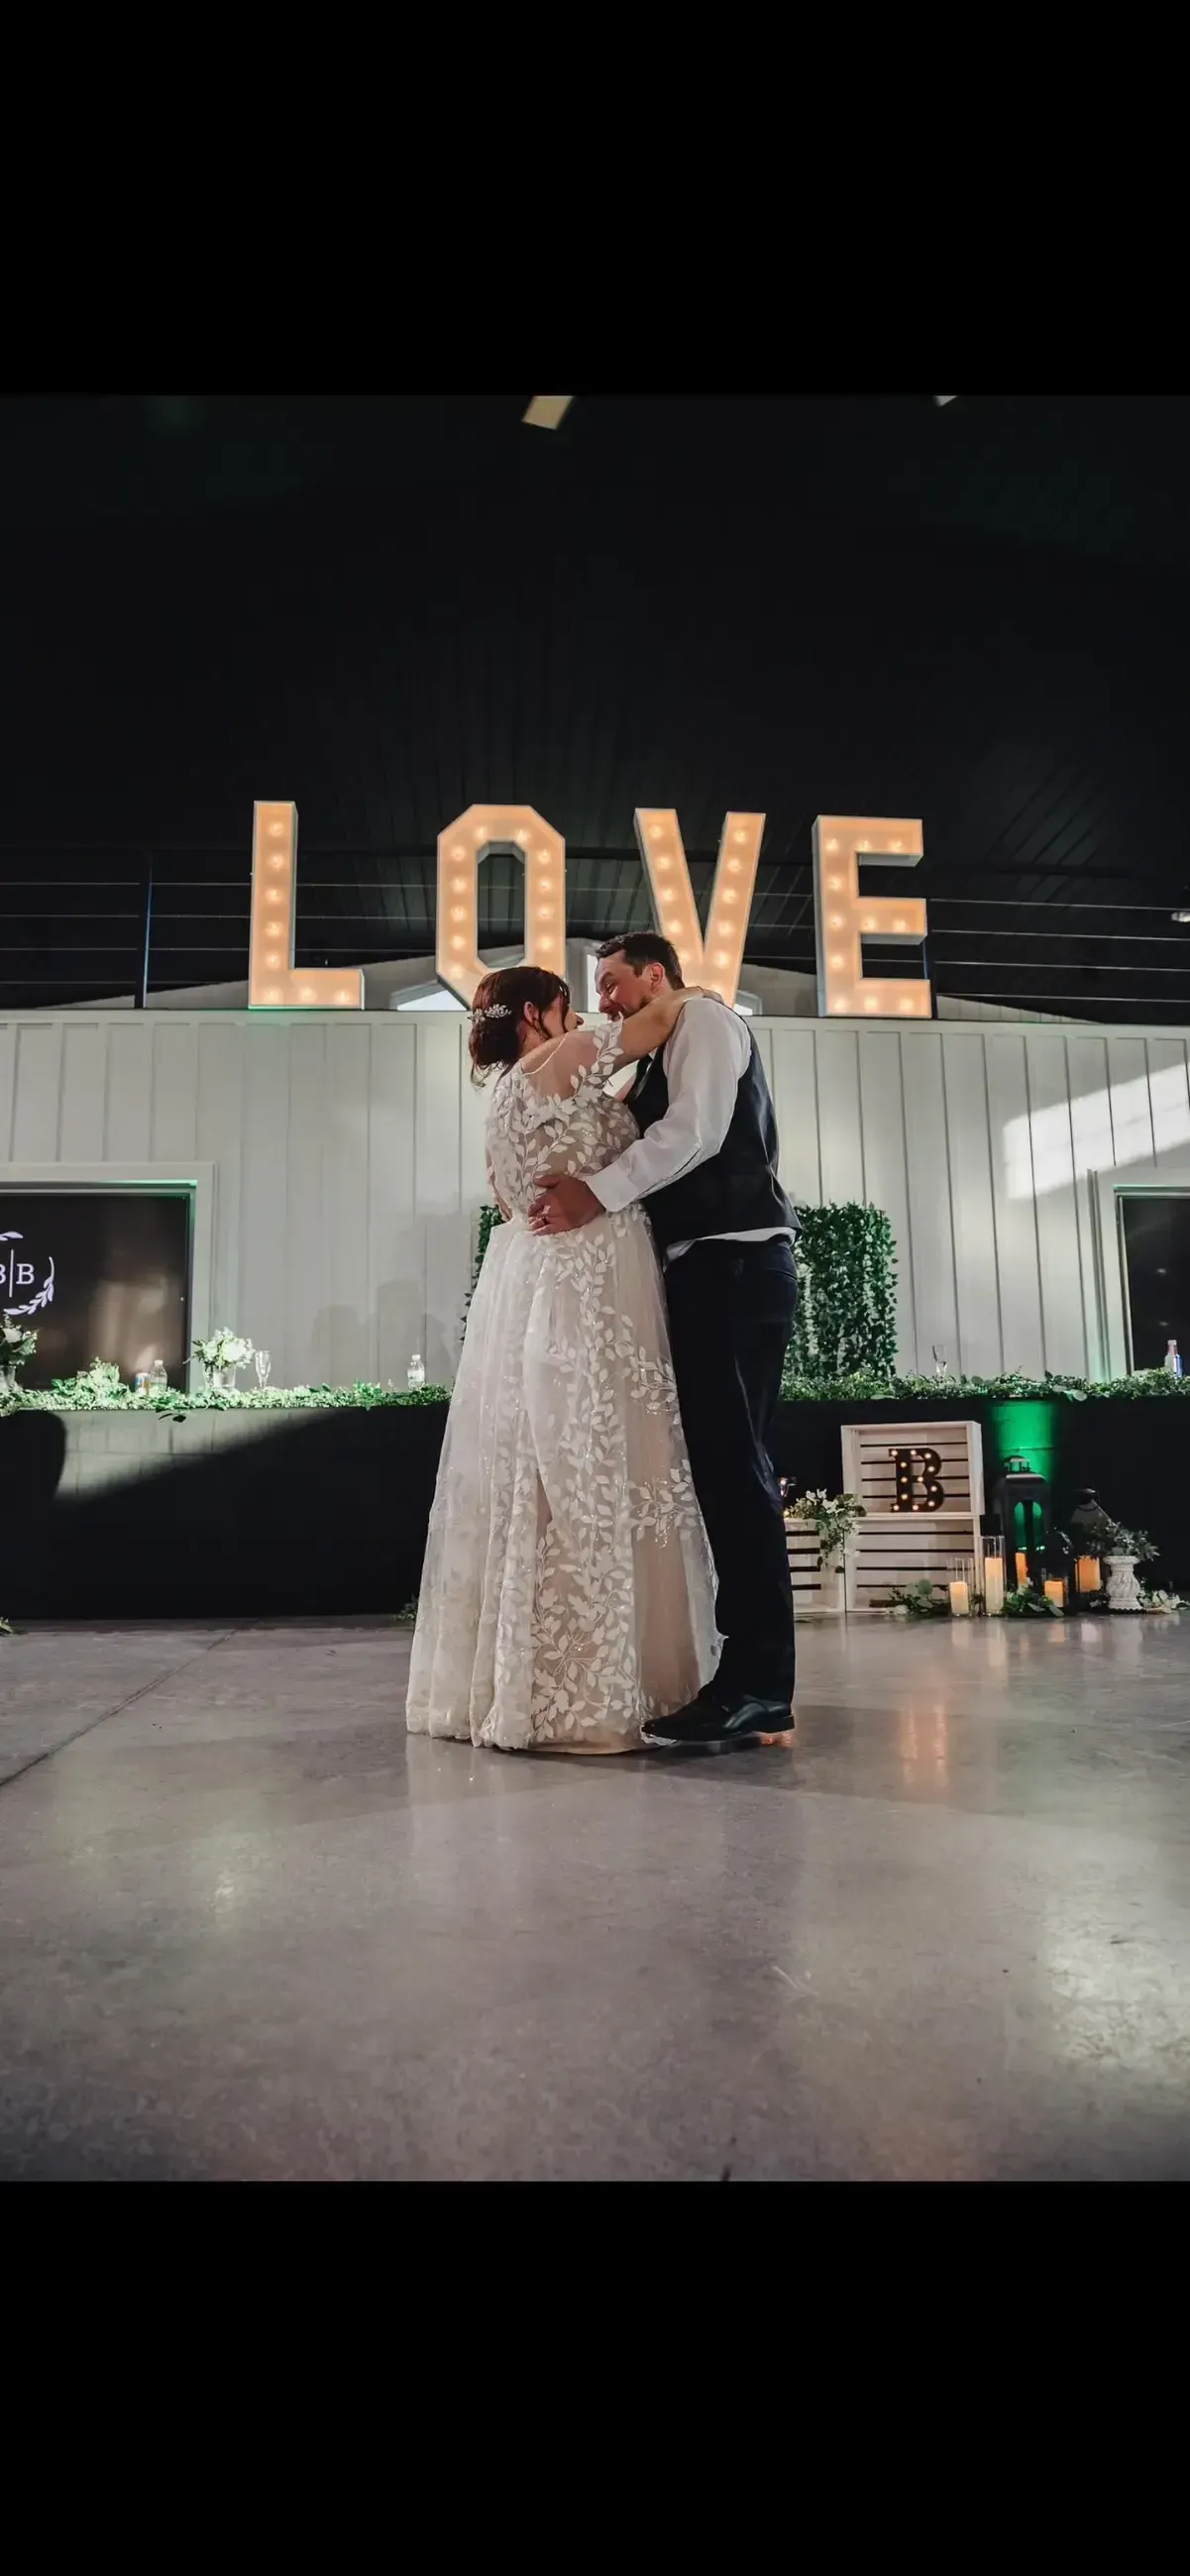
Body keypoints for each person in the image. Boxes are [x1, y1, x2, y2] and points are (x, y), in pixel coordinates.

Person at [406, 964, 717, 1755]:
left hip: (531, 1281)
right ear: (542, 1012)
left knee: (537, 1468)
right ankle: (588, 1694)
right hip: (587, 1283)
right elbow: (648, 1028)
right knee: (589, 1463)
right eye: (572, 1002)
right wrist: (685, 990)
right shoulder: (556, 1059)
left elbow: (513, 1195)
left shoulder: (509, 1094)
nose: (585, 1013)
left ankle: (521, 1680)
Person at [530, 933, 798, 1753]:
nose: (604, 1001)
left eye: (612, 983)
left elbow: (696, 1133)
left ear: (657, 974)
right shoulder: (653, 1046)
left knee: (734, 1469)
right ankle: (741, 1671)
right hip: (700, 1270)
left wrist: (595, 1196)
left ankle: (757, 1687)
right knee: (715, 1471)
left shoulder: (706, 1023)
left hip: (737, 1263)